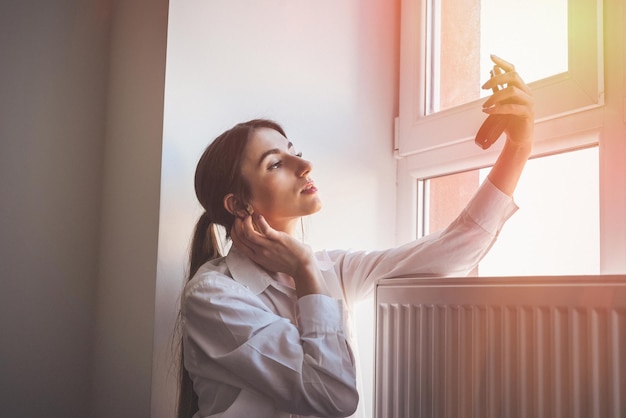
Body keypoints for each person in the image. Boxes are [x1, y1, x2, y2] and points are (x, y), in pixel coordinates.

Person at [176, 55, 534, 418]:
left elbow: (454, 250)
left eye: (295, 153)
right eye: (276, 163)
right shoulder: (213, 295)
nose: (306, 166)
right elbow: (333, 397)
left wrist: (518, 149)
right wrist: (303, 271)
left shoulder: (333, 269)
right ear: (238, 204)